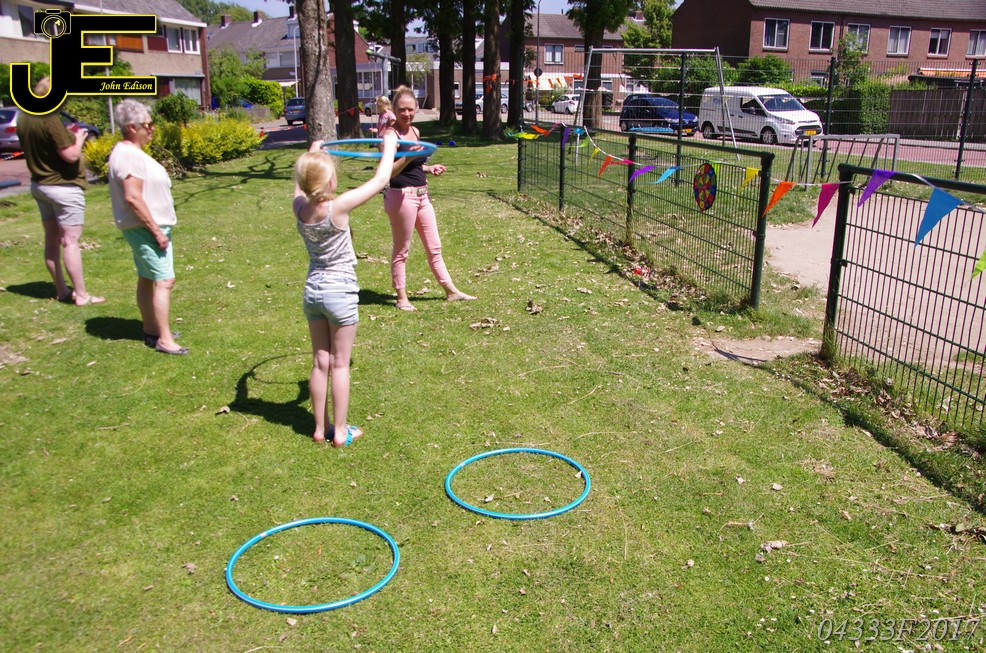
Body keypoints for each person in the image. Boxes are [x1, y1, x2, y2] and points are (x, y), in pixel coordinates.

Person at [295, 131, 399, 446]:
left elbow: (299, 187)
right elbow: (381, 180)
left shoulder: (299, 207)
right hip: (339, 291)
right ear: (330, 182)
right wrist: (390, 146)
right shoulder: (337, 208)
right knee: (340, 363)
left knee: (320, 361)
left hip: (313, 291)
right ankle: (340, 432)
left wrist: (313, 151)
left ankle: (319, 428)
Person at [382, 86, 476, 311]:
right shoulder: (390, 135)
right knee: (402, 250)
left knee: (435, 247)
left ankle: (451, 291)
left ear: (416, 109)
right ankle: (401, 298)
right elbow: (387, 172)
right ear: (394, 109)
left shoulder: (415, 131)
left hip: (422, 195)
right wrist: (408, 156)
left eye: (410, 109)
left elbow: (414, 165)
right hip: (401, 196)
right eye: (402, 109)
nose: (407, 114)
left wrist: (428, 167)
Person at [107, 100, 187, 355]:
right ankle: (164, 339)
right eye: (148, 124)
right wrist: (156, 231)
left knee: (147, 276)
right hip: (146, 227)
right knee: (165, 280)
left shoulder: (130, 153)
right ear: (132, 127)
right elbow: (133, 197)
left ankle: (152, 329)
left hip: (146, 226)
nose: (152, 128)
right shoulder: (128, 155)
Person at [17, 77, 104, 306]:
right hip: (63, 187)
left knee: (51, 240)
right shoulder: (49, 116)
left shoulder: (25, 117)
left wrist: (65, 135)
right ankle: (82, 295)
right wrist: (78, 138)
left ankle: (62, 290)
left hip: (40, 185)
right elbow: (70, 155)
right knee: (70, 241)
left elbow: (45, 144)